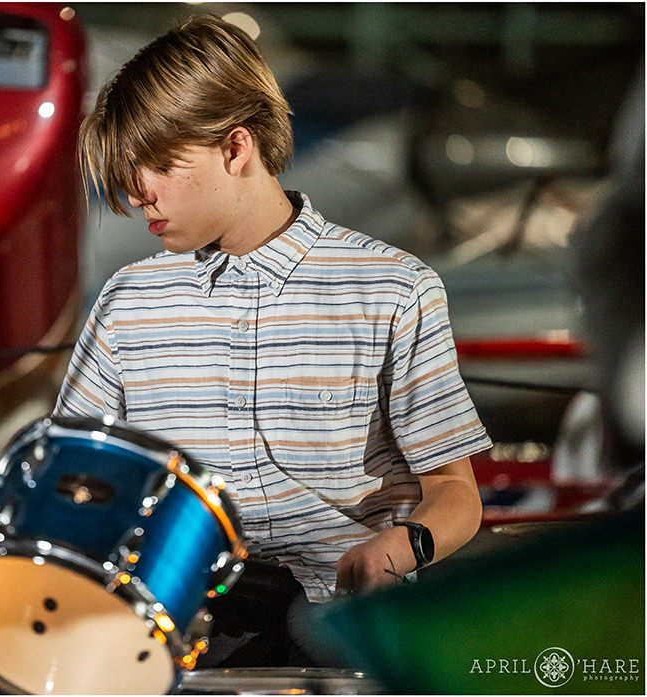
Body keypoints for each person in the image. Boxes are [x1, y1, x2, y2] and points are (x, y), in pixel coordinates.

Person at [53, 14, 490, 667]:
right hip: (175, 634)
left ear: (236, 149)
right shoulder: (127, 302)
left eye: (161, 165)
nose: (136, 190)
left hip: (340, 629)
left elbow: (456, 491)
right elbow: (70, 477)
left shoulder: (394, 288)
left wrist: (396, 549)